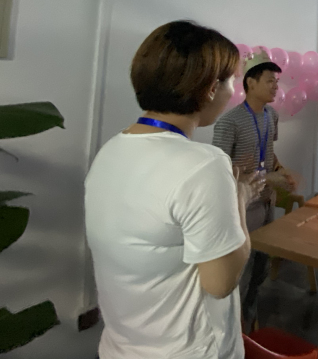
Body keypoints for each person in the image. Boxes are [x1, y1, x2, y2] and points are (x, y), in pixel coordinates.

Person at [85, 21, 261, 359]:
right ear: (211, 88)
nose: (232, 92)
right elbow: (221, 283)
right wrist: (239, 199)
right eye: (231, 81)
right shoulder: (204, 165)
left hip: (120, 347)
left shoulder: (111, 150)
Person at [212, 51, 295, 333]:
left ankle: (249, 322)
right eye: (270, 81)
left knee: (260, 270)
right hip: (242, 208)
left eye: (277, 81)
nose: (276, 86)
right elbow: (221, 172)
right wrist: (265, 176)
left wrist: (281, 170)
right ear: (250, 82)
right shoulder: (229, 122)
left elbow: (268, 152)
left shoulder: (272, 115)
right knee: (241, 273)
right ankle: (233, 332)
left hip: (266, 202)